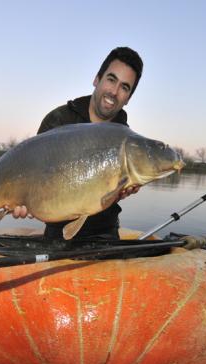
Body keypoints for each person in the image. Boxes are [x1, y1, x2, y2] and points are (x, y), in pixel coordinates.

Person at [10, 46, 144, 239]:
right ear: (97, 79)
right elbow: (30, 170)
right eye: (111, 79)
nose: (114, 92)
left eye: (124, 87)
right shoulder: (59, 119)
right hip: (56, 230)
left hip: (104, 232)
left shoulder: (127, 142)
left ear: (129, 98)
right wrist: (21, 201)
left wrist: (125, 189)